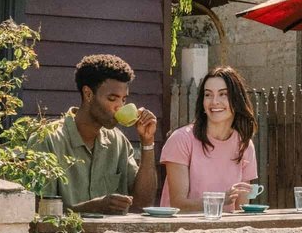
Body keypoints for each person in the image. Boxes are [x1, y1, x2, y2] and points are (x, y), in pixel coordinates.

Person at [33, 54, 159, 214]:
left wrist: (147, 142)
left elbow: (142, 204)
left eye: (124, 100)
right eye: (112, 99)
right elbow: (37, 212)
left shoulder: (119, 142)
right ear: (88, 94)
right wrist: (89, 208)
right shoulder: (48, 139)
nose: (119, 107)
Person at [160, 67, 259, 211]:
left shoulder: (245, 145)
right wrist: (219, 200)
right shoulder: (181, 139)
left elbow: (241, 208)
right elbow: (178, 204)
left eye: (223, 94)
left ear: (237, 99)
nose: (214, 101)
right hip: (182, 230)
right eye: (208, 95)